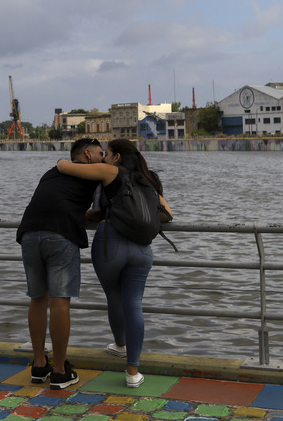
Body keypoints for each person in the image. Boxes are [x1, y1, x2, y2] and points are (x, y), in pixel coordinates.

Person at [55, 138, 172, 388]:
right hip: (142, 249)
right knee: (134, 304)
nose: (104, 157)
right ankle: (132, 373)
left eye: (106, 153)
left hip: (110, 244)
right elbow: (168, 214)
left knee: (114, 298)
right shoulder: (148, 180)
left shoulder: (111, 171)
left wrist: (60, 161)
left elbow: (67, 167)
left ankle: (120, 345)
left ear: (117, 157)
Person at [16, 138, 104, 389]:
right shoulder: (94, 174)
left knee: (37, 298)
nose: (103, 156)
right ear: (88, 154)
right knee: (60, 301)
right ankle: (60, 371)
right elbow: (99, 211)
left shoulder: (51, 172)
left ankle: (40, 364)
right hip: (60, 235)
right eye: (100, 152)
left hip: (29, 234)